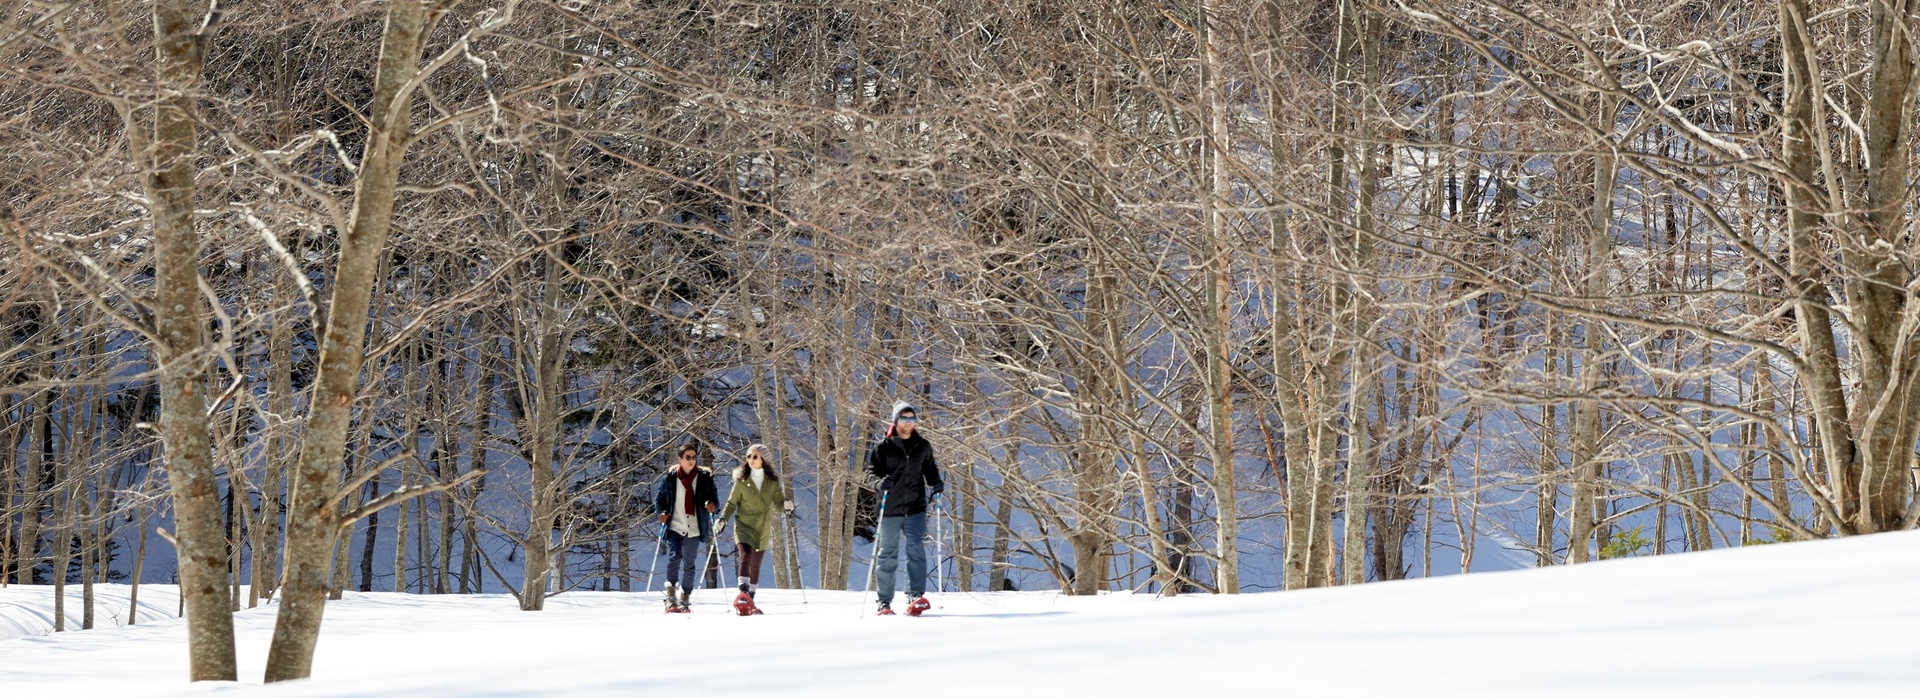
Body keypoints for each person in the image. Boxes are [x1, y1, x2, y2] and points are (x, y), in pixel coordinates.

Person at [865, 401, 944, 616]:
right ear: (896, 420)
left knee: (916, 548)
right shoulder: (883, 447)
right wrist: (879, 484)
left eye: (912, 418)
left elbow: (930, 469)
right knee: (887, 554)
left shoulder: (923, 446)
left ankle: (915, 596)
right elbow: (869, 473)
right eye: (904, 418)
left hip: (916, 508)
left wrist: (936, 482)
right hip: (890, 508)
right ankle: (884, 602)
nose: (909, 422)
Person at [717, 444, 794, 615]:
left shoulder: (771, 483)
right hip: (743, 526)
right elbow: (731, 503)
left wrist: (786, 506)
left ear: (763, 460)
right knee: (746, 555)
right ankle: (743, 594)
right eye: (749, 456)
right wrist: (723, 519)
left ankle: (750, 600)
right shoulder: (741, 481)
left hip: (762, 528)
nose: (750, 460)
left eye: (755, 456)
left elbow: (779, 503)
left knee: (756, 566)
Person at [653, 443, 718, 613]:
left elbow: (714, 500)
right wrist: (661, 513)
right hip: (675, 525)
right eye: (688, 457)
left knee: (689, 563)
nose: (691, 460)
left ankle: (685, 598)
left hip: (694, 527)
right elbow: (659, 500)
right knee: (674, 558)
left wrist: (712, 506)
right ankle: (671, 597)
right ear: (680, 459)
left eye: (694, 457)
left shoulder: (704, 478)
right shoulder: (670, 479)